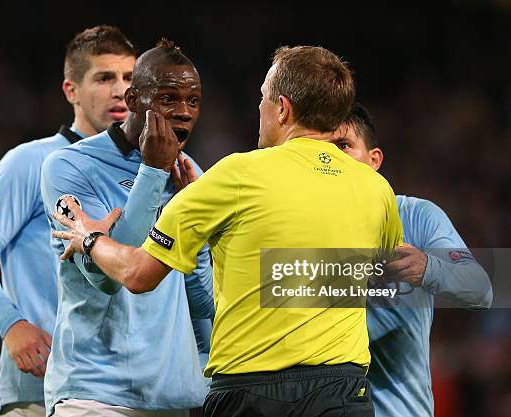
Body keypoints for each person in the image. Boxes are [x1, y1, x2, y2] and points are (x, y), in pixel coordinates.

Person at [52, 46, 404, 417]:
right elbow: (385, 278)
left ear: (282, 108)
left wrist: (89, 238)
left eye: (264, 98)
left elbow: (138, 275)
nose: (260, 109)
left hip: (251, 394)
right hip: (344, 392)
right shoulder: (376, 189)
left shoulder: (235, 175)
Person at [0, 25, 137, 417]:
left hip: (127, 387)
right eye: (104, 78)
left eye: (129, 78)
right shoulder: (30, 162)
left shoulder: (147, 172)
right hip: (39, 388)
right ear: (71, 91)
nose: (120, 90)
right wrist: (10, 324)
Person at [40, 40, 213, 417]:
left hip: (172, 400)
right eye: (169, 98)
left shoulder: (190, 175)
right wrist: (152, 172)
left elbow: (202, 302)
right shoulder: (70, 166)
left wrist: (194, 232)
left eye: (193, 100)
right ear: (134, 100)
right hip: (93, 394)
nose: (183, 112)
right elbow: (110, 278)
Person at [327, 102, 493, 417]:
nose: (332, 159)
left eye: (343, 146)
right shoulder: (300, 230)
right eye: (323, 151)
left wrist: (426, 267)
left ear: (374, 160)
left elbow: (480, 289)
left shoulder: (416, 217)